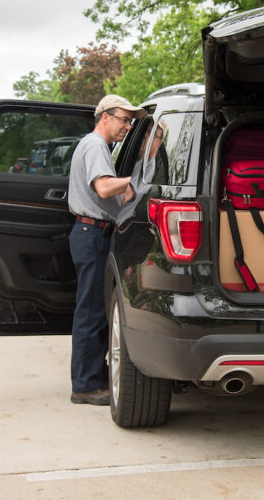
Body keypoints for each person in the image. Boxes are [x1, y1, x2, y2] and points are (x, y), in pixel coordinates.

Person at [67, 94, 145, 406]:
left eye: (130, 121)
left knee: (94, 310)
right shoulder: (96, 145)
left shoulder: (97, 146)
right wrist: (136, 181)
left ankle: (91, 379)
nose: (128, 126)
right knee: (91, 312)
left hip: (91, 232)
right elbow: (102, 187)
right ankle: (85, 386)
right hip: (91, 234)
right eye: (124, 119)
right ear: (105, 117)